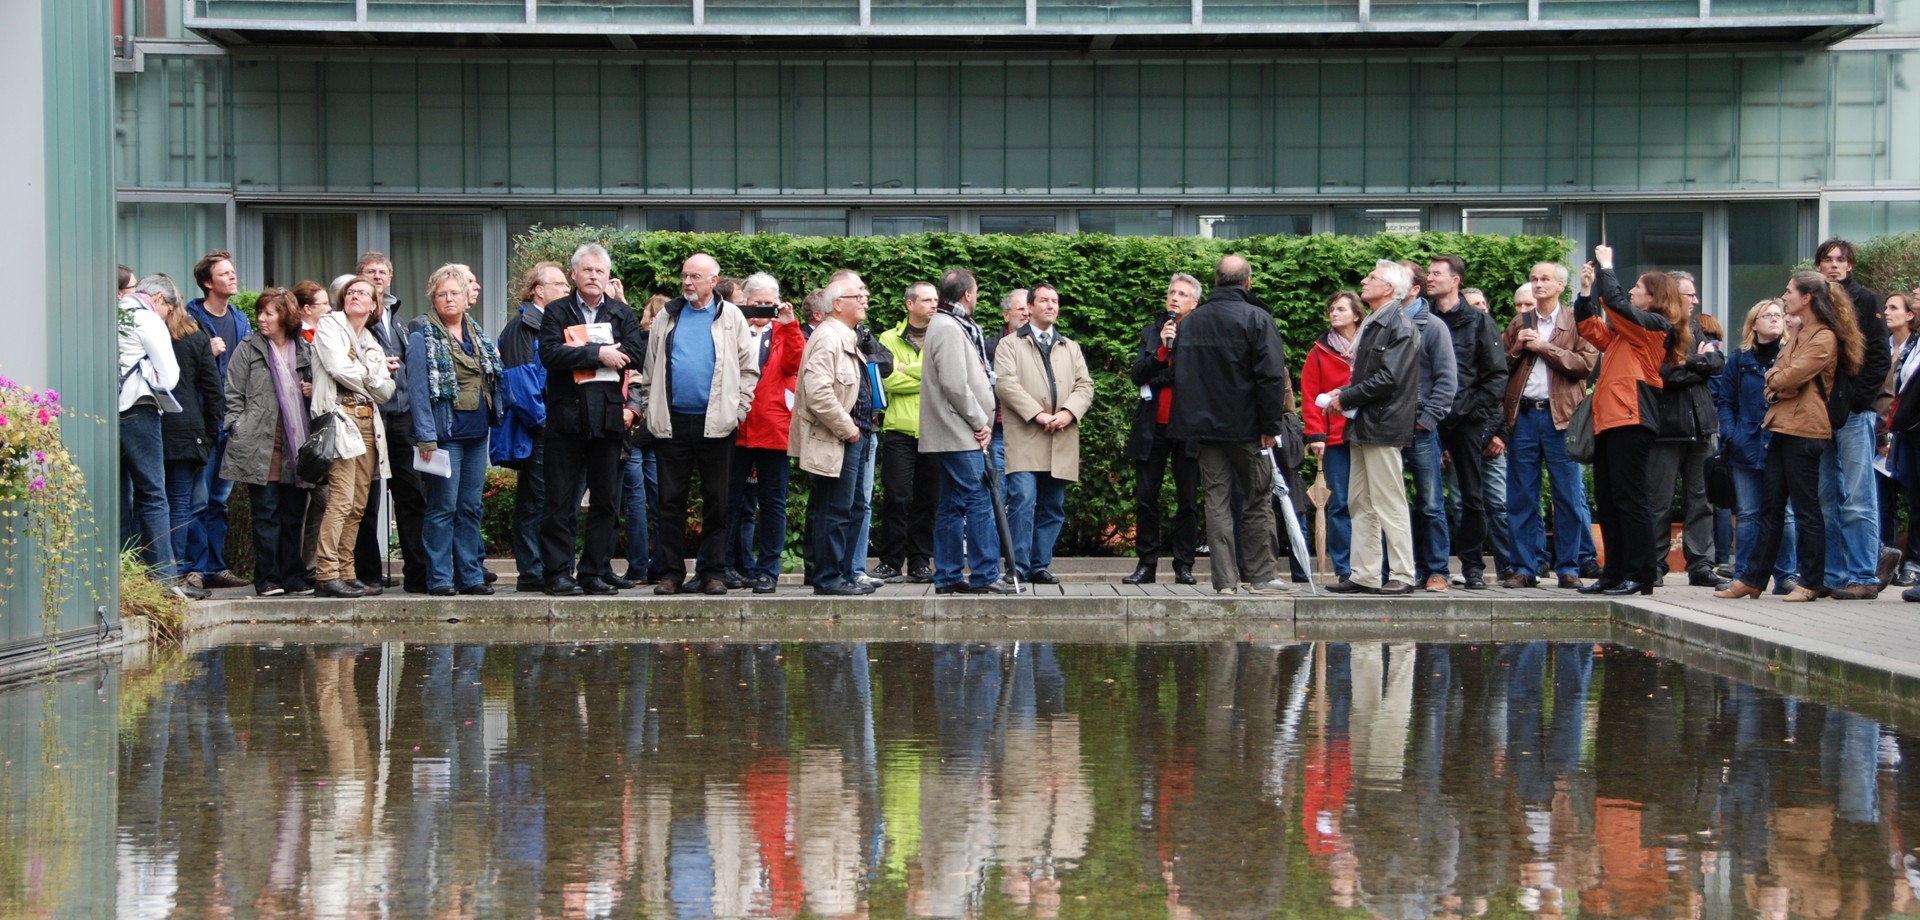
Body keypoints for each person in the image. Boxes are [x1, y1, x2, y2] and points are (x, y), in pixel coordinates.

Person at [1718, 272, 1864, 601]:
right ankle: (1753, 579)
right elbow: (1776, 374)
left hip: (1807, 429)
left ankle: (1810, 582)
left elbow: (1791, 376)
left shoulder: (1824, 337)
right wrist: (1779, 380)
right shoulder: (1797, 332)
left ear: (1807, 297)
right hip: (1780, 425)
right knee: (1770, 506)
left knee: (1805, 508)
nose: (1785, 296)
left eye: (1789, 291)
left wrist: (1780, 380)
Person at [1166, 255, 1294, 596]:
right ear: (1247, 282)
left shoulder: (1191, 323)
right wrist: (1271, 424)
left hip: (1205, 430)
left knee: (1216, 502)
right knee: (1257, 498)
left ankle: (1225, 582)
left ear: (1216, 281)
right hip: (1248, 428)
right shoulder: (1257, 318)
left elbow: (1183, 377)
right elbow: (1270, 376)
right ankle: (1261, 576)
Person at [642, 252, 760, 595]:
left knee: (718, 501)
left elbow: (748, 369)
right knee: (669, 502)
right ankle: (670, 574)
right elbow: (650, 369)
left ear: (713, 281)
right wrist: (651, 409)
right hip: (672, 423)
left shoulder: (731, 317)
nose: (687, 282)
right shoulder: (667, 315)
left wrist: (738, 410)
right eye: (684, 275)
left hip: (717, 424)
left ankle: (713, 573)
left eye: (695, 276)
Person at [1575, 246, 1686, 597]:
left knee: (1629, 498)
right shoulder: (1627, 334)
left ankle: (1640, 574)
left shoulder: (1655, 327)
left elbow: (1617, 304)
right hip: (1610, 420)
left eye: (1639, 287)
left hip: (1632, 418)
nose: (1633, 291)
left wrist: (1608, 266)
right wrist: (1585, 291)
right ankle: (1615, 573)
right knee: (1608, 500)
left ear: (1655, 298)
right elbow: (1590, 327)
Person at [540, 243, 646, 596]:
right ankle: (557, 573)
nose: (593, 276)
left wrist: (584, 354)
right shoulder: (556, 311)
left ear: (607, 276)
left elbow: (635, 352)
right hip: (566, 417)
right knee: (560, 500)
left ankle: (593, 572)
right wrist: (598, 353)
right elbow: (550, 354)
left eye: (600, 271)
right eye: (587, 270)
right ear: (574, 274)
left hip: (608, 418)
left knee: (605, 501)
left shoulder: (620, 312)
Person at [408, 265, 506, 597]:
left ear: (467, 298)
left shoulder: (479, 336)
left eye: (455, 293)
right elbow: (419, 393)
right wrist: (426, 437)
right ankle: (439, 578)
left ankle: (471, 577)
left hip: (478, 434)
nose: (449, 299)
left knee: (470, 507)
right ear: (433, 300)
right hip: (444, 436)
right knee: (442, 508)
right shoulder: (422, 338)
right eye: (442, 294)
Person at [1325, 261, 1420, 596]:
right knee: (1360, 501)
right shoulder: (1375, 323)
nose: (1364, 280)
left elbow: (1390, 379)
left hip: (1382, 425)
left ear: (1389, 289)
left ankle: (1403, 574)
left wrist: (1346, 396)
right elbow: (1369, 378)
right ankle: (1364, 573)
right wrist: (1345, 394)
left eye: (1372, 278)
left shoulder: (1398, 324)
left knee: (1388, 501)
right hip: (1365, 423)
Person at [920, 269, 1017, 594]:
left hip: (956, 429)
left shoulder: (950, 324)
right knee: (979, 496)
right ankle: (986, 573)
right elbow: (954, 384)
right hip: (959, 428)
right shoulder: (949, 327)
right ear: (967, 295)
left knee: (950, 501)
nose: (977, 296)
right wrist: (980, 422)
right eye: (975, 291)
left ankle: (947, 576)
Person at [1501, 267, 1598, 589]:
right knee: (1521, 497)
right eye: (1534, 279)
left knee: (1568, 496)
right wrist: (1517, 348)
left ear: (1560, 285)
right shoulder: (1520, 322)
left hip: (1562, 418)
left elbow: (1586, 364)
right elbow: (1500, 364)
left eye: (1545, 279)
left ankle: (1568, 567)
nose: (1538, 284)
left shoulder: (1575, 321)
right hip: (1524, 416)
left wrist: (1544, 348)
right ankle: (1524, 568)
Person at [995, 283, 1095, 585]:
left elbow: (1085, 386)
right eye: (1044, 301)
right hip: (1026, 435)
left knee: (1053, 506)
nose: (1051, 306)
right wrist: (1038, 415)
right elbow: (1005, 384)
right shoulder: (1010, 345)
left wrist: (1067, 413)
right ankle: (1018, 567)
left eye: (1055, 301)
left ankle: (1040, 566)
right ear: (1031, 307)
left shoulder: (1070, 346)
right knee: (1023, 500)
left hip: (1060, 436)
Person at [1814, 239, 1896, 599]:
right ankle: (1833, 575)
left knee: (1859, 498)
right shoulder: (1813, 300)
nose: (1834, 265)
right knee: (1826, 498)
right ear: (1818, 266)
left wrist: (1857, 402)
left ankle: (1863, 575)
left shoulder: (1866, 300)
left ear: (1850, 265)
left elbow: (1879, 357)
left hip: (1851, 411)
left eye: (1841, 260)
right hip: (1817, 412)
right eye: (1828, 260)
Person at [219, 289, 313, 597]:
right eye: (260, 312)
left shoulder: (304, 349)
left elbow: (320, 386)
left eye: (269, 313)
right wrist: (237, 425)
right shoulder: (249, 348)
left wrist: (311, 390)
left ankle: (293, 576)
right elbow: (232, 392)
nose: (262, 318)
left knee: (293, 514)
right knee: (266, 512)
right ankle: (268, 578)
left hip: (296, 442)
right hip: (259, 441)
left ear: (286, 316)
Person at [310, 273, 398, 598]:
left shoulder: (371, 340)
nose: (355, 296)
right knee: (341, 500)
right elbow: (337, 368)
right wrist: (372, 374)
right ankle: (326, 573)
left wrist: (367, 373)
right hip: (340, 419)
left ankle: (346, 572)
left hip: (367, 424)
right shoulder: (330, 324)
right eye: (350, 292)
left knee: (359, 504)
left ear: (375, 305)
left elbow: (387, 390)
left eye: (363, 293)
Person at [793, 276, 876, 596]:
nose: (866, 299)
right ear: (837, 304)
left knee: (847, 508)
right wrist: (849, 429)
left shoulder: (845, 335)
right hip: (839, 438)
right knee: (835, 509)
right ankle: (829, 579)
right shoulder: (829, 338)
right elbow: (818, 393)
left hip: (850, 438)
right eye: (859, 295)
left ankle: (840, 574)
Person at [1429, 255, 1507, 591]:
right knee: (1428, 497)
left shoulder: (1478, 321)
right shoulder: (1422, 318)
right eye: (1428, 273)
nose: (1429, 278)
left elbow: (1495, 376)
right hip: (1425, 419)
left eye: (1436, 273)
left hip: (1466, 421)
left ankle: (1473, 566)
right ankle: (1429, 566)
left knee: (1471, 497)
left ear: (1455, 280)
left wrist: (1472, 415)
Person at [1644, 271, 1726, 589]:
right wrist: (1698, 366)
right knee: (1659, 500)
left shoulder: (1696, 327)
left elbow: (1717, 363)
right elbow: (1662, 375)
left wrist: (1688, 364)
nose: (1696, 300)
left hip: (1701, 426)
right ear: (1673, 296)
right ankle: (1653, 564)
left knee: (1702, 499)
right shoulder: (1657, 329)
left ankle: (1701, 565)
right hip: (1667, 427)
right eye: (1689, 295)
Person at [1712, 300, 1799, 594]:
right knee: (1748, 513)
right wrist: (1733, 436)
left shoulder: (1792, 356)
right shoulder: (1739, 360)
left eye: (1778, 315)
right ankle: (1744, 575)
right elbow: (1725, 402)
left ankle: (1786, 575)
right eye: (1768, 315)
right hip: (1745, 443)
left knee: (1784, 514)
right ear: (1754, 324)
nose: (1775, 319)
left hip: (1779, 441)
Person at [1125, 273, 1205, 586]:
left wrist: (1159, 376)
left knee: (1187, 500)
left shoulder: (1202, 333)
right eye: (1172, 292)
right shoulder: (1153, 332)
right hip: (1152, 428)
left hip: (1187, 427)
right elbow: (1137, 375)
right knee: (1147, 498)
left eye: (1183, 294)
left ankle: (1184, 566)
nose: (1174, 298)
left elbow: (1194, 376)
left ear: (1195, 302)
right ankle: (1146, 565)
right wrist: (1162, 351)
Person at [355, 250, 428, 594]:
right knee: (366, 499)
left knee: (412, 495)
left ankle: (417, 572)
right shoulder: (352, 320)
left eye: (383, 271)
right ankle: (367, 573)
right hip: (369, 419)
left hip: (402, 418)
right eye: (371, 271)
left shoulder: (397, 319)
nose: (378, 276)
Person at [728, 273, 804, 594]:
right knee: (728, 501)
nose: (761, 309)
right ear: (744, 302)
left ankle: (767, 571)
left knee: (772, 503)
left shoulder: (785, 331)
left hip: (773, 429)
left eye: (767, 303)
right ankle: (724, 567)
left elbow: (797, 364)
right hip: (734, 427)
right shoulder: (730, 327)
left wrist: (789, 324)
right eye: (755, 302)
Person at [118, 274, 193, 597]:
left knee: (120, 496)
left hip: (107, 415)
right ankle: (164, 579)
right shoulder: (146, 317)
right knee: (152, 494)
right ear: (159, 299)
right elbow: (170, 376)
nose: (168, 317)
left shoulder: (112, 314)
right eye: (168, 310)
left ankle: (124, 574)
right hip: (139, 410)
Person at [150, 273, 225, 594]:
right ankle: (177, 573)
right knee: (180, 503)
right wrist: (209, 435)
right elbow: (214, 391)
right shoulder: (195, 338)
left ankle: (155, 573)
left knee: (149, 501)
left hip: (154, 428)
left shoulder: (143, 337)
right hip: (187, 432)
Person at [184, 249, 253, 590]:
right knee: (197, 499)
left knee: (219, 501)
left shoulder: (241, 320)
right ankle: (193, 568)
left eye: (232, 271)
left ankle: (215, 566)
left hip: (233, 423)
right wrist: (203, 351)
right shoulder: (190, 319)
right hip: (202, 422)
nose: (232, 277)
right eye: (225, 273)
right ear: (207, 282)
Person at [495, 261, 562, 592]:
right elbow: (519, 383)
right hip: (540, 429)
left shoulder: (551, 324)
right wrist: (545, 422)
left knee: (550, 498)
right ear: (539, 290)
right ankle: (531, 570)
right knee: (535, 499)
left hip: (554, 427)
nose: (567, 290)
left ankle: (546, 565)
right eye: (560, 285)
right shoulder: (523, 326)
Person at [875, 281, 944, 585]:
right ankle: (890, 561)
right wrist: (927, 376)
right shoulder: (887, 339)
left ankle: (919, 562)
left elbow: (946, 379)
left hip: (935, 430)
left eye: (936, 300)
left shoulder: (943, 336)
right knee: (896, 497)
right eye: (927, 300)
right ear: (909, 304)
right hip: (899, 431)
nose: (934, 305)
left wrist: (907, 370)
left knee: (928, 499)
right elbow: (887, 381)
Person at [1397, 261, 1459, 592]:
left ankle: (1437, 570)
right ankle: (1399, 570)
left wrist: (1428, 418)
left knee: (1431, 502)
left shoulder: (1433, 326)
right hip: (1387, 429)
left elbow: (1448, 379)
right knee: (1391, 505)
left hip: (1420, 427)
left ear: (1415, 288)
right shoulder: (1383, 322)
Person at [1301, 290, 1365, 586]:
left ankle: (1374, 567)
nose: (1334, 313)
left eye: (1341, 309)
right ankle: (1344, 568)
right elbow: (1310, 395)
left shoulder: (1371, 345)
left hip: (1369, 434)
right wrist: (1316, 434)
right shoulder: (1319, 351)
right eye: (1332, 308)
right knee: (1338, 503)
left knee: (1369, 503)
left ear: (1356, 315)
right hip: (1336, 438)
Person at [621, 293, 670, 584]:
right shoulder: (672, 343)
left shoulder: (641, 341)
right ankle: (660, 566)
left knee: (635, 501)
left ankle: (638, 567)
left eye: (645, 314)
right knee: (660, 500)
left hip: (635, 429)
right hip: (660, 428)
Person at [1883, 292, 1920, 586]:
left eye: (1893, 307)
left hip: (1910, 430)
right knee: (1888, 502)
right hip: (1888, 431)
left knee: (1915, 499)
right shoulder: (1883, 347)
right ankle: (1885, 560)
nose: (1886, 312)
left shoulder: (1916, 346)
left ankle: (1913, 563)